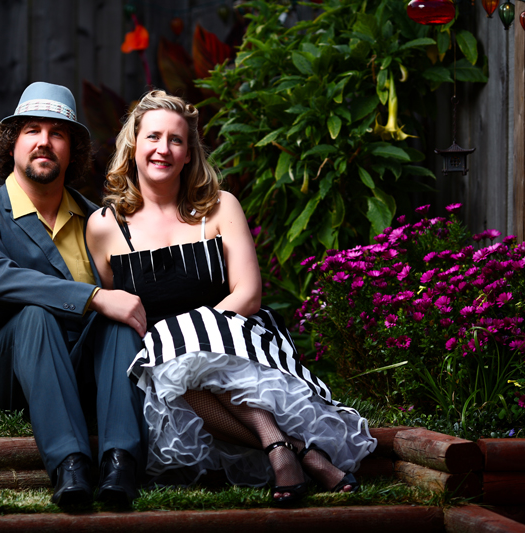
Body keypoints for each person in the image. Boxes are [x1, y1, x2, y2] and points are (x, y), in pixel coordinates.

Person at [86, 90, 377, 507]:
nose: (162, 149)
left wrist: (195, 336)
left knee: (190, 355)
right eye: (152, 137)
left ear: (189, 153)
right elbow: (117, 304)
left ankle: (284, 450)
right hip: (165, 365)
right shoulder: (104, 226)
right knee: (176, 363)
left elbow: (249, 294)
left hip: (238, 335)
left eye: (176, 140)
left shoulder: (220, 207)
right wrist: (173, 345)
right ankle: (292, 450)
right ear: (133, 147)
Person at [0, 82, 149, 508]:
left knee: (119, 316)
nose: (44, 142)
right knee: (36, 315)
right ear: (11, 143)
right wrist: (93, 296)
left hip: (82, 369)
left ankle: (119, 463)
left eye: (57, 133)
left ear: (72, 150)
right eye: (32, 130)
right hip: (7, 370)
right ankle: (70, 464)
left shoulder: (98, 219)